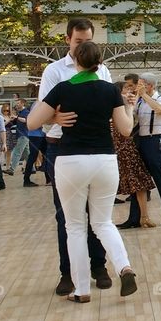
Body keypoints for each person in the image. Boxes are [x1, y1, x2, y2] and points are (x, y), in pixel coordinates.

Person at [27, 41, 138, 302]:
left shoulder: (62, 89)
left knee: (75, 226)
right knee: (103, 222)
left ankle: (82, 290)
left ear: (75, 60)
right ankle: (124, 266)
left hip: (70, 161)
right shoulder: (111, 90)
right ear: (99, 63)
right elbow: (125, 129)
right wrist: (129, 107)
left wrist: (54, 116)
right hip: (105, 161)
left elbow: (32, 122)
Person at [36, 17, 114, 296]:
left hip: (96, 146)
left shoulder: (102, 70)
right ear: (68, 39)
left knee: (98, 213)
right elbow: (42, 115)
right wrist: (57, 115)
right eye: (78, 41)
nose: (83, 46)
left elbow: (108, 107)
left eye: (88, 41)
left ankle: (99, 266)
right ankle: (67, 272)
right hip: (61, 146)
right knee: (66, 216)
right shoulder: (54, 71)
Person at [129, 72, 161, 226]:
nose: (138, 87)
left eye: (141, 84)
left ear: (150, 85)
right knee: (138, 180)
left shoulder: (160, 99)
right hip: (141, 142)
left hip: (156, 142)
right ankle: (134, 218)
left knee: (160, 179)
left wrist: (144, 96)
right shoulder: (140, 101)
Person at [112, 81, 156, 229]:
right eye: (125, 88)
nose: (129, 90)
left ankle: (144, 217)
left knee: (139, 184)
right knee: (137, 184)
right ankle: (142, 217)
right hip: (120, 151)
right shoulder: (116, 108)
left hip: (127, 150)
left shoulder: (129, 106)